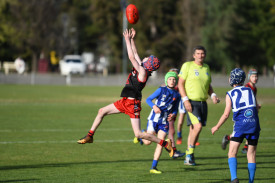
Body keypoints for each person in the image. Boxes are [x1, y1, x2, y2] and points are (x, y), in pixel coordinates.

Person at [77, 28, 173, 157]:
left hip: (132, 104)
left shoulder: (143, 72)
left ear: (148, 64)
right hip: (124, 101)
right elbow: (135, 52)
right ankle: (90, 136)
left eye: (147, 58)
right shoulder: (142, 67)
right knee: (101, 111)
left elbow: (131, 56)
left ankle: (165, 144)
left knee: (138, 134)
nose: (145, 57)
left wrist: (126, 40)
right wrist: (132, 39)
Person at [211, 68, 260, 183]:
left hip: (240, 125)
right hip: (254, 124)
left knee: (232, 152)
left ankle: (234, 179)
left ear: (232, 79)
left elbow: (226, 114)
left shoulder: (230, 94)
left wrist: (217, 126)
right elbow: (256, 108)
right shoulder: (250, 90)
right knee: (251, 154)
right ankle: (251, 181)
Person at [177, 45, 220, 165]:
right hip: (191, 101)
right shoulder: (187, 66)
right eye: (198, 53)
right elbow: (180, 84)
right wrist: (185, 100)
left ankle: (188, 156)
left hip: (203, 103)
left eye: (202, 53)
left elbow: (208, 85)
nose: (200, 55)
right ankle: (189, 152)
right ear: (194, 55)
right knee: (198, 127)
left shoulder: (206, 67)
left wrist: (213, 95)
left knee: (193, 130)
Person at [134, 71, 181, 174]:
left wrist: (173, 114)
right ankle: (142, 135)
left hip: (164, 122)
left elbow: (175, 109)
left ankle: (153, 167)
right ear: (166, 80)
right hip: (153, 119)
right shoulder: (161, 90)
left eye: (174, 80)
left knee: (161, 143)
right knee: (147, 142)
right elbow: (148, 99)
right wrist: (154, 106)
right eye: (170, 79)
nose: (172, 81)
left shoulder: (177, 95)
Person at [221, 69, 261, 154]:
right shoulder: (247, 87)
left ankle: (230, 139)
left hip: (249, 115)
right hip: (243, 115)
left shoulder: (254, 88)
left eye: (256, 76)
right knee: (245, 129)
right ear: (249, 77)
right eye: (253, 76)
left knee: (246, 129)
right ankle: (242, 145)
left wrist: (256, 106)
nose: (255, 78)